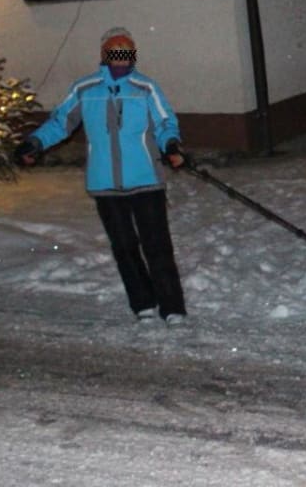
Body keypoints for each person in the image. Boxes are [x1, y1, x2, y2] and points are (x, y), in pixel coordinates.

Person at [14, 27, 189, 324]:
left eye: (126, 47)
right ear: (104, 53)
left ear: (133, 53)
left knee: (157, 245)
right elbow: (60, 122)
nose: (120, 53)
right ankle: (143, 303)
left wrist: (171, 144)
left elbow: (164, 122)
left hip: (146, 178)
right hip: (105, 182)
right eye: (114, 48)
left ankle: (172, 307)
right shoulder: (85, 89)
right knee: (124, 247)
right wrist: (35, 142)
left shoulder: (145, 88)